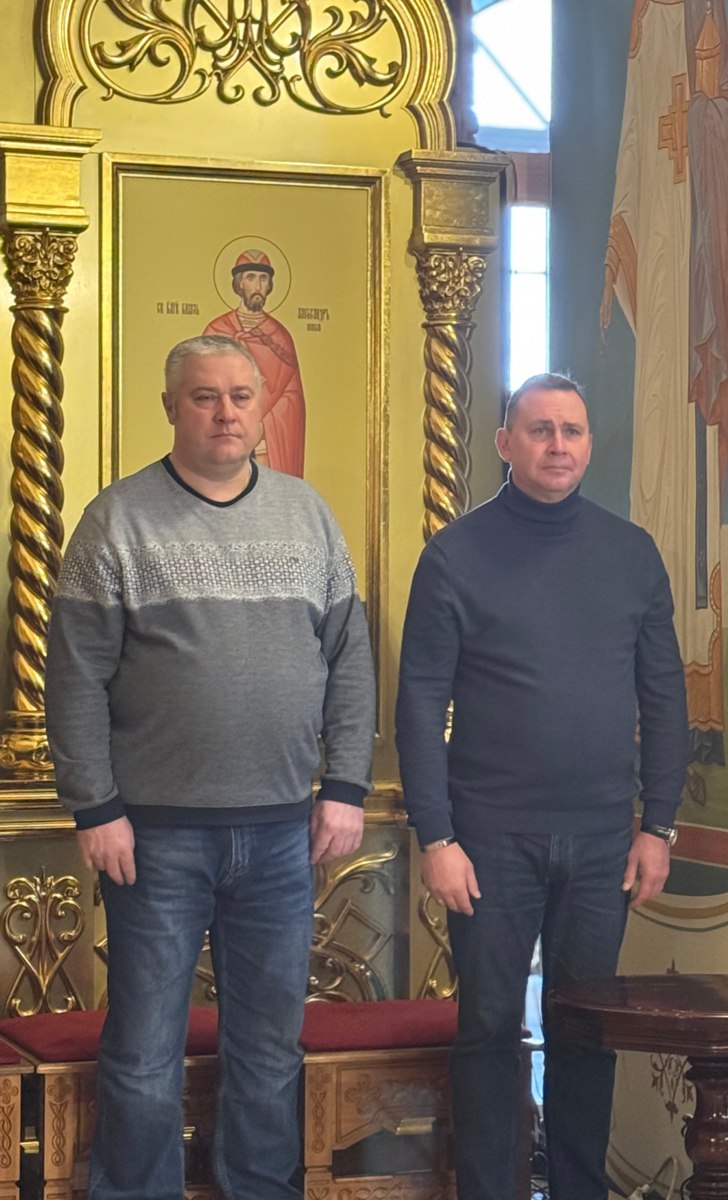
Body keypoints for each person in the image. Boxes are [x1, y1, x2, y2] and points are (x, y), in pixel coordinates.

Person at [45, 334, 375, 1200]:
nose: (225, 413)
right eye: (204, 396)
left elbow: (350, 660)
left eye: (240, 396)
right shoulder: (116, 520)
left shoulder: (308, 516)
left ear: (265, 408)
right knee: (143, 1049)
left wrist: (345, 786)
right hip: (153, 837)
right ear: (171, 407)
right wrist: (95, 807)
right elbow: (74, 676)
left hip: (282, 835)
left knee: (268, 1050)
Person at [395, 373, 689, 1200]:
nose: (558, 445)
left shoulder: (630, 554)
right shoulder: (454, 556)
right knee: (489, 1027)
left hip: (602, 841)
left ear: (589, 443)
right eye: (540, 429)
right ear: (505, 443)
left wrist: (658, 825)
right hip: (488, 838)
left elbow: (665, 695)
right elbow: (419, 702)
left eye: (572, 430)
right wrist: (437, 835)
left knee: (586, 1030)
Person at [204, 249, 307, 476]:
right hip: (222, 435)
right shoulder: (217, 330)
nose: (258, 285)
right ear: (239, 283)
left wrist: (263, 424)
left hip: (265, 442)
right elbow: (203, 388)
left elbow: (292, 397)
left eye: (263, 278)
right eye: (251, 278)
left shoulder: (280, 336)